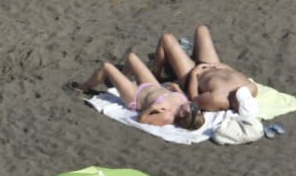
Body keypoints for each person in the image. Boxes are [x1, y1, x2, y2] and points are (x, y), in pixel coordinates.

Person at [69, 51, 205, 130]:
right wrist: (174, 88)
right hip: (152, 85)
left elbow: (142, 119)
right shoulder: (184, 103)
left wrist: (152, 108)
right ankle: (122, 79)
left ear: (182, 114)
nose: (194, 105)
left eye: (193, 109)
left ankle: (84, 87)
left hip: (136, 97)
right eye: (197, 109)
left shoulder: (167, 116)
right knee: (131, 57)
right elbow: (180, 94)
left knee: (107, 67)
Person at [151, 26, 259, 114]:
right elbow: (236, 73)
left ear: (236, 105)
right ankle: (192, 57)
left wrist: (194, 74)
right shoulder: (252, 88)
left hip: (192, 75)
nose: (238, 90)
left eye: (238, 96)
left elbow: (194, 99)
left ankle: (155, 76)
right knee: (202, 29)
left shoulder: (218, 100)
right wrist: (223, 66)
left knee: (166, 38)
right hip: (213, 65)